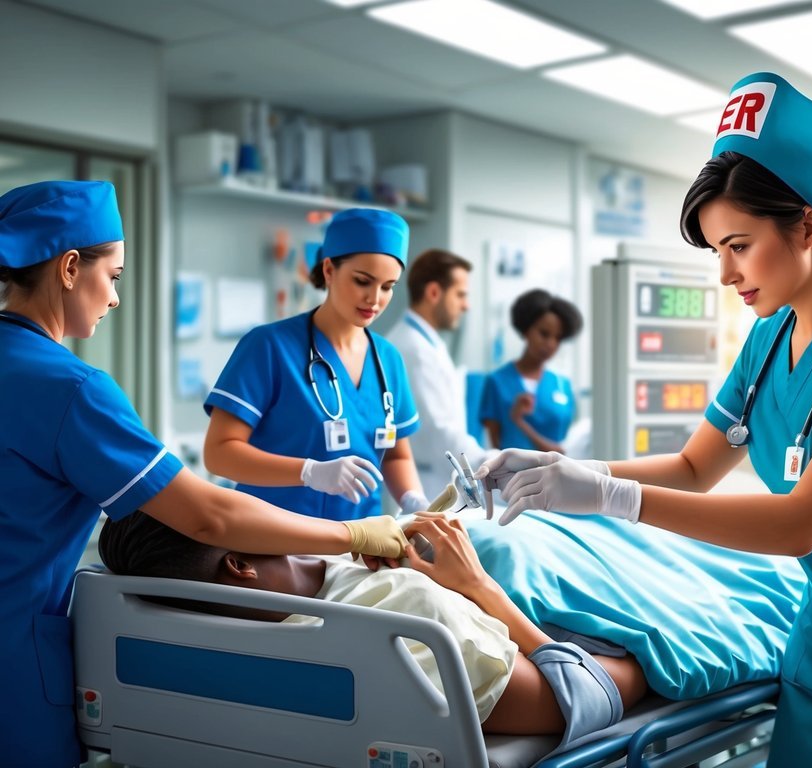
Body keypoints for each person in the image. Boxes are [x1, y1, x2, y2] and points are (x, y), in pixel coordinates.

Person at [477, 72, 812, 767]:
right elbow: (693, 468)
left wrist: (611, 499)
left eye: (738, 245)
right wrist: (571, 474)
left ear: (806, 224)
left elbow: (800, 523)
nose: (726, 274)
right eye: (717, 253)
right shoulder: (767, 340)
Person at [0, 181, 406, 767]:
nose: (115, 298)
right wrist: (355, 536)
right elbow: (208, 513)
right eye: (114, 276)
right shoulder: (69, 389)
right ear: (69, 268)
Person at [97, 509, 646, 746]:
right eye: (235, 505)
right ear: (239, 562)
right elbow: (585, 697)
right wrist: (481, 588)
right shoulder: (401, 615)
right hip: (618, 579)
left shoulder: (347, 568)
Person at [204, 208, 432, 522]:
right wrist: (309, 472)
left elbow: (395, 455)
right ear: (329, 270)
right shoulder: (269, 347)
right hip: (271, 543)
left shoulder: (388, 359)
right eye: (362, 281)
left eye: (388, 286)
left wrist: (413, 499)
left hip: (359, 543)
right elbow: (219, 453)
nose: (375, 299)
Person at [386, 248, 491, 498]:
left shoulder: (428, 343)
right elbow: (437, 433)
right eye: (460, 295)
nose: (466, 305)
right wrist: (489, 464)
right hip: (427, 486)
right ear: (434, 292)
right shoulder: (413, 349)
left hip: (439, 479)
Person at [479, 288, 581, 453]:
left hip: (557, 474)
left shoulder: (563, 385)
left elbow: (563, 449)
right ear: (526, 330)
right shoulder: (497, 381)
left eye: (558, 338)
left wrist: (518, 421)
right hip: (511, 476)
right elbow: (495, 445)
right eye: (544, 334)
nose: (551, 344)